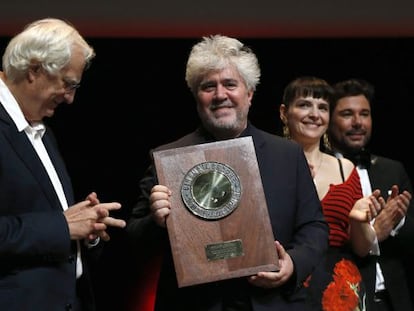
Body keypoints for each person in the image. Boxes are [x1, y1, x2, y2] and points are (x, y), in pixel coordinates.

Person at [126, 35, 329, 311]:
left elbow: (314, 227)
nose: (220, 94)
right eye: (208, 86)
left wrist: (292, 264)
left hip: (275, 302)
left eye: (230, 84)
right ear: (196, 96)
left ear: (250, 93)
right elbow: (134, 242)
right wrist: (156, 220)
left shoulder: (288, 155)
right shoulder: (168, 159)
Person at [0, 18, 126, 311]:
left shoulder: (41, 130)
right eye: (68, 84)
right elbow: (59, 225)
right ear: (34, 70)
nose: (70, 99)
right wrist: (63, 226)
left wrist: (87, 226)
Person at [279, 76, 387, 311]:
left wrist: (358, 222)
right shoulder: (267, 164)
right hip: (285, 280)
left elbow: (360, 248)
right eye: (305, 104)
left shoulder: (345, 169)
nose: (315, 114)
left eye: (323, 107)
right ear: (284, 113)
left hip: (338, 289)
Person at [328, 78, 414, 311]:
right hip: (343, 298)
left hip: (393, 300)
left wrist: (395, 222)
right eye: (347, 114)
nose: (358, 122)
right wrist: (373, 234)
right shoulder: (320, 170)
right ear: (328, 119)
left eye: (364, 114)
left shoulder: (392, 169)